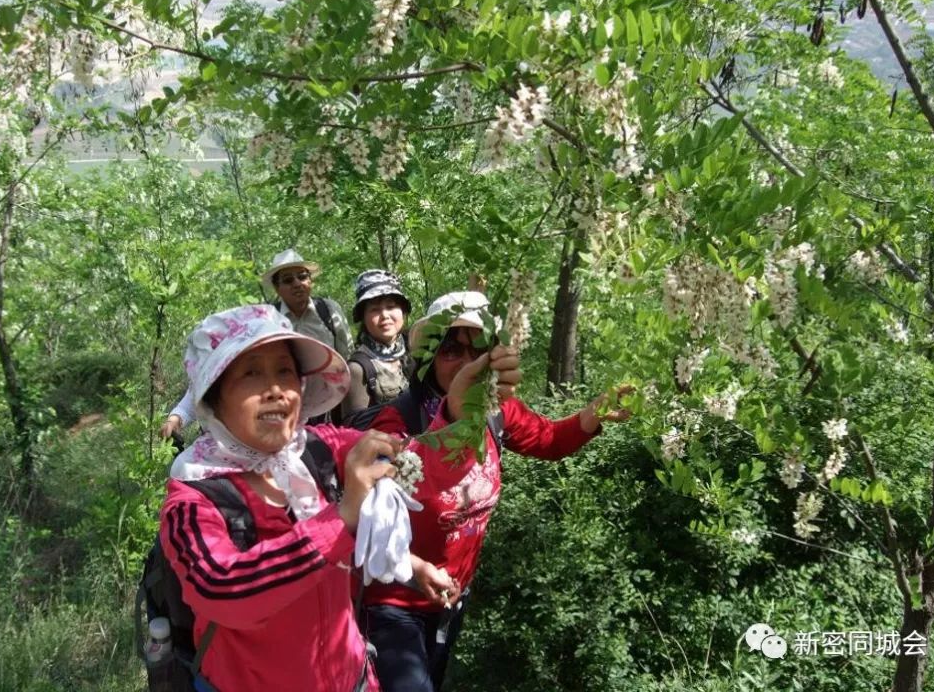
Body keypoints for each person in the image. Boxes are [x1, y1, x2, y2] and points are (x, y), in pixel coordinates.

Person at [157, 303, 515, 692]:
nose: (276, 389)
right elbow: (224, 590)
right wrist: (341, 518)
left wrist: (461, 417)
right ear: (213, 396)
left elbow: (415, 465)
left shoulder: (316, 451)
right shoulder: (194, 500)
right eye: (251, 373)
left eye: (285, 371)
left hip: (354, 678)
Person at [359, 291, 634, 692]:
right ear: (430, 358)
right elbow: (382, 493)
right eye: (451, 348)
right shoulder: (397, 419)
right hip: (394, 599)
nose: (467, 361)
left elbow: (550, 440)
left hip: (452, 596)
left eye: (479, 349)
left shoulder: (498, 411)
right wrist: (452, 415)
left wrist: (593, 413)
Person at [160, 248, 352, 437]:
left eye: (302, 276)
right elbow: (212, 376)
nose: (297, 284)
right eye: (287, 280)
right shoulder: (265, 322)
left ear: (310, 280)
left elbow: (346, 360)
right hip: (279, 415)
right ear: (277, 288)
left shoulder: (329, 312)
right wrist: (178, 417)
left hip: (328, 409)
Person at [342, 269, 414, 420]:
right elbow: (355, 430)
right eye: (375, 309)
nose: (385, 316)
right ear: (363, 318)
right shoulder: (358, 369)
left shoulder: (416, 350)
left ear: (403, 311)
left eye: (391, 307)